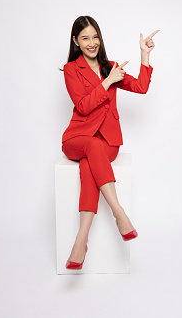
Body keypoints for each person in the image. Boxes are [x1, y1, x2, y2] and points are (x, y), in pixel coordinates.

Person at [59, 15, 158, 270]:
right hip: (77, 138)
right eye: (85, 38)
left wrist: (144, 55)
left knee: (88, 166)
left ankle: (81, 240)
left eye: (95, 37)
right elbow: (82, 105)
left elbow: (141, 87)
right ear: (76, 42)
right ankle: (119, 213)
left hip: (108, 142)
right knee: (90, 149)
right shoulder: (72, 69)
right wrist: (107, 82)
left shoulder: (110, 66)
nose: (92, 43)